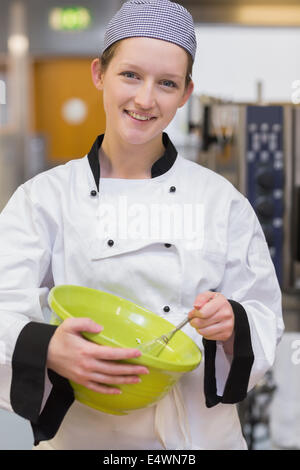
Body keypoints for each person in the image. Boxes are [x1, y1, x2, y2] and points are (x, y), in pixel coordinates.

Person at [0, 0, 284, 450]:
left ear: (186, 93)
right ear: (99, 74)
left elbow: (264, 315)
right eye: (130, 75)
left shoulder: (221, 202)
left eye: (167, 83)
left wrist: (233, 323)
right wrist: (47, 346)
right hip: (85, 438)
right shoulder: (44, 199)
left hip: (198, 438)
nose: (145, 99)